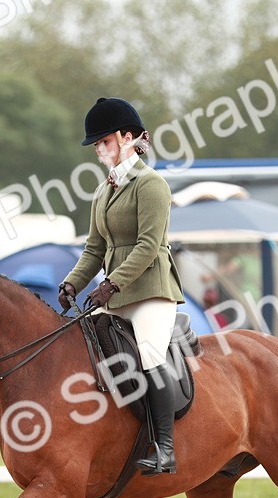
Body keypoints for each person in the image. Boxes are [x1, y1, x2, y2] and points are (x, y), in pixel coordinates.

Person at [58, 97, 184, 475]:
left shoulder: (151, 185)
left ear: (128, 138)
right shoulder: (103, 191)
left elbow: (148, 246)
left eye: (105, 142)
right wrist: (72, 283)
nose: (99, 150)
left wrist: (110, 285)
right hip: (115, 293)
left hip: (150, 292)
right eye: (96, 145)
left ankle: (165, 448)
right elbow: (94, 249)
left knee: (148, 355)